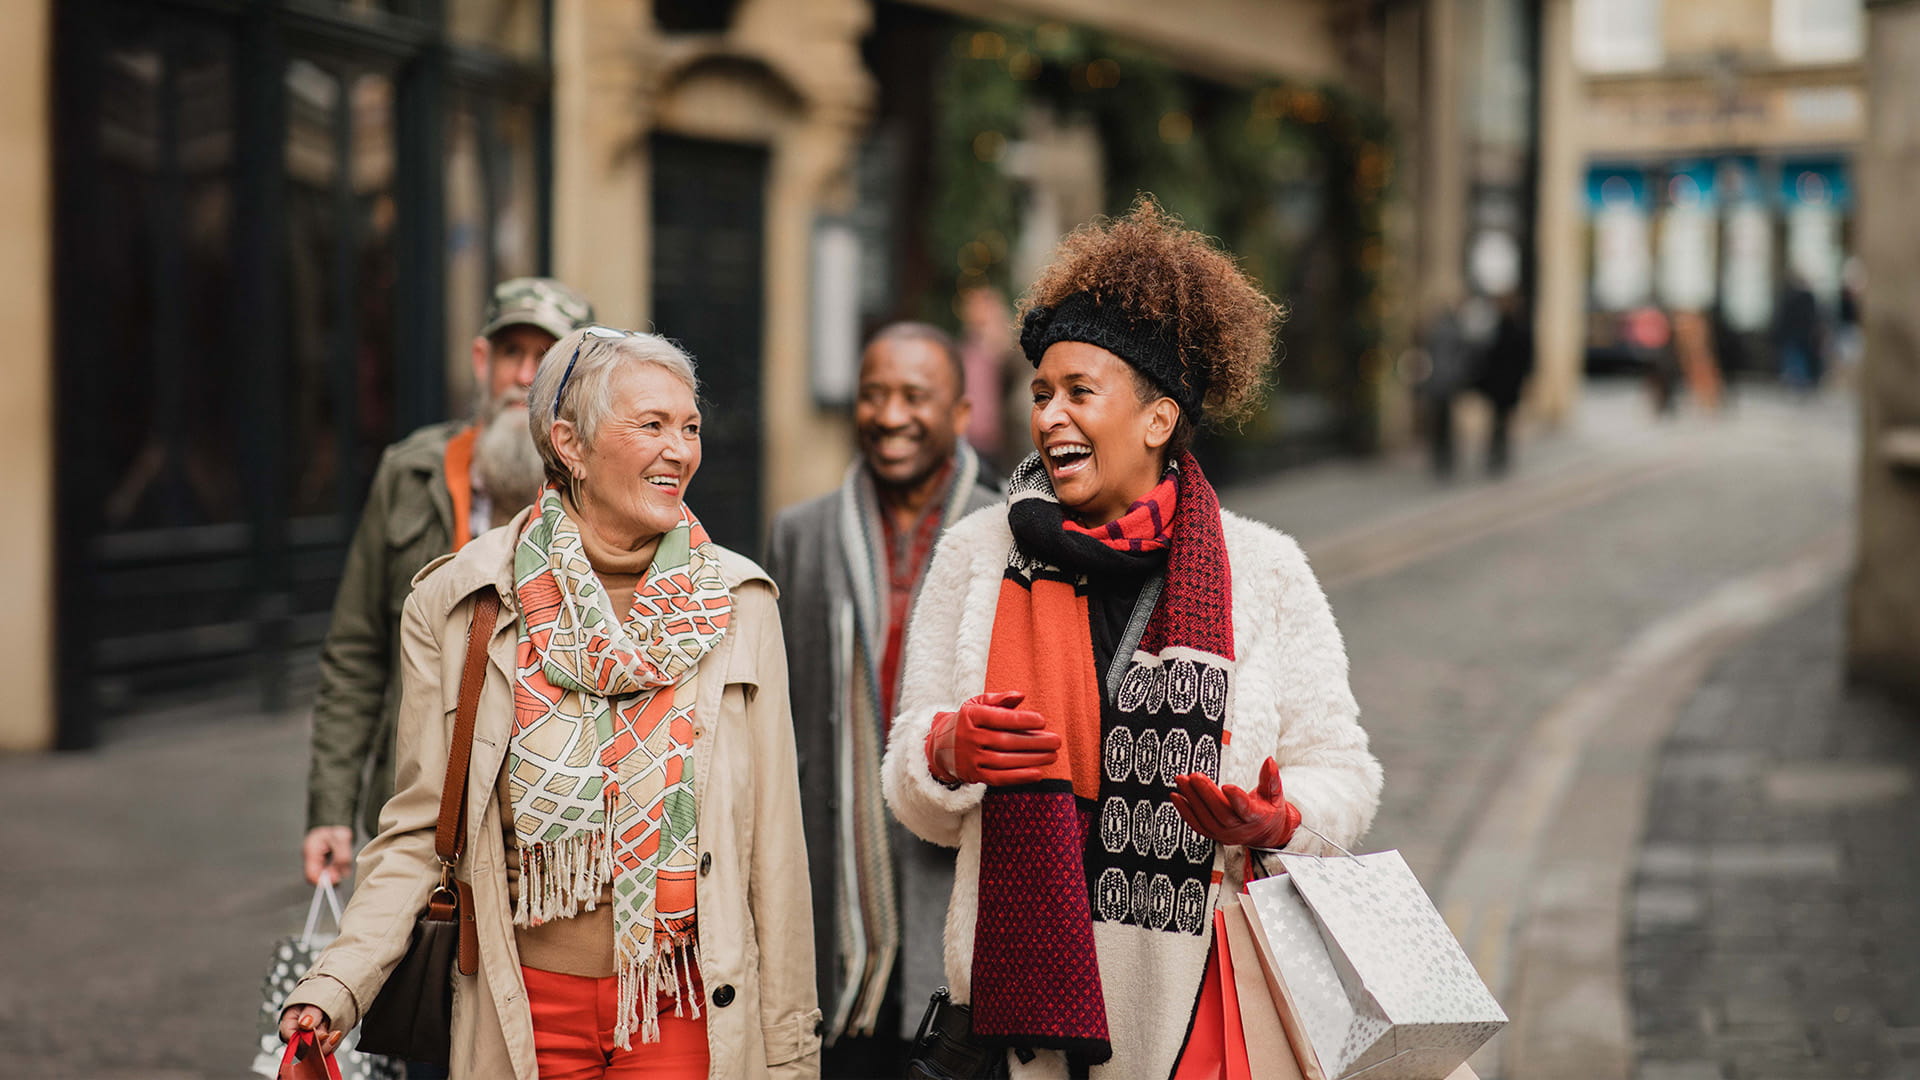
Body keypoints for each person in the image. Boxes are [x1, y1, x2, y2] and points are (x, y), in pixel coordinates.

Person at [880, 199, 1382, 1079]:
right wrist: (948, 750)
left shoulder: (1261, 569)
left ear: (1157, 419)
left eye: (1080, 393)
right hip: (1015, 1024)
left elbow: (1342, 769)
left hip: (1198, 1009)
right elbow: (911, 786)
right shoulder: (976, 554)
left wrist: (1279, 817)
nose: (1050, 417)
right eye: (1041, 393)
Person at [279, 327, 822, 1079]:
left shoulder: (739, 603)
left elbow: (777, 855)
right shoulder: (462, 600)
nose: (681, 449)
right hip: (522, 1011)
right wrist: (337, 984)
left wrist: (792, 1053)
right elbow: (416, 830)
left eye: (689, 426)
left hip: (681, 1004)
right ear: (569, 444)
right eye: (652, 425)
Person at [302, 277, 593, 890]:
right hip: (415, 804)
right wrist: (330, 810)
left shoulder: (602, 494)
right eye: (512, 353)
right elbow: (355, 653)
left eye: (546, 359)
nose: (524, 376)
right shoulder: (410, 473)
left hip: (546, 828)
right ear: (482, 362)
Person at [764, 322, 999, 1075]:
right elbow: (779, 722)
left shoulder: (1010, 533)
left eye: (913, 396)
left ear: (961, 415)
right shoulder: (799, 535)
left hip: (961, 904)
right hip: (832, 909)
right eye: (873, 395)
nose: (890, 414)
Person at [1473, 292, 1535, 475]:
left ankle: (1500, 452)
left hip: (1505, 383)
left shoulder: (1511, 329)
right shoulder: (1500, 328)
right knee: (1498, 419)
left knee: (1502, 419)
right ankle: (1497, 452)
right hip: (1501, 384)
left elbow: (1524, 358)